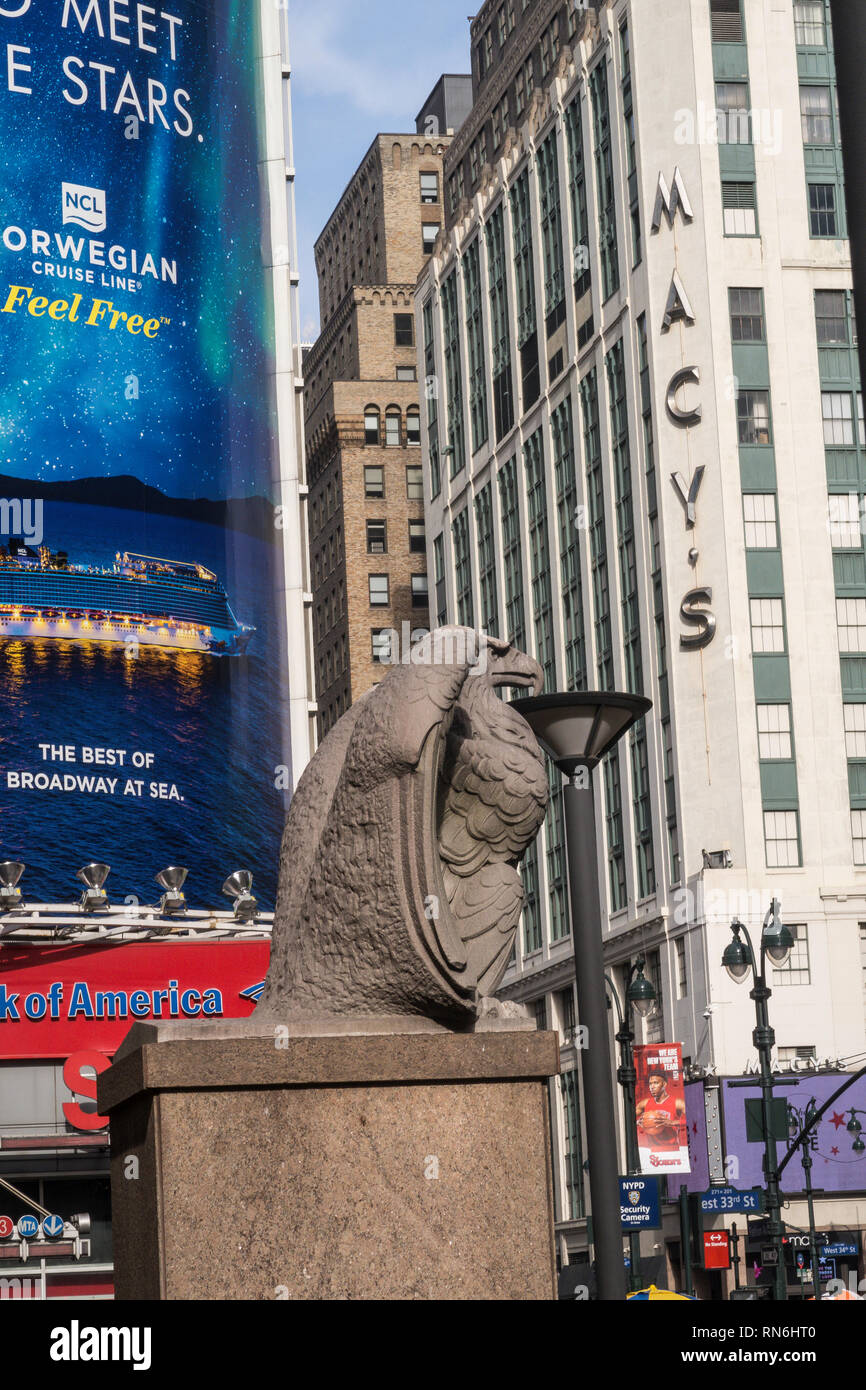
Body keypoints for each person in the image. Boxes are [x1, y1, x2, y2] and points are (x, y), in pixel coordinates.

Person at [636, 1067, 686, 1150]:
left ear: (664, 1084)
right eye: (650, 1084)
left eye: (656, 1083)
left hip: (672, 1149)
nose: (652, 1087)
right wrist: (638, 1122)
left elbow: (694, 1120)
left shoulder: (677, 1103)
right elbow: (626, 1120)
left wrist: (673, 1122)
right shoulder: (644, 1103)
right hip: (650, 1150)